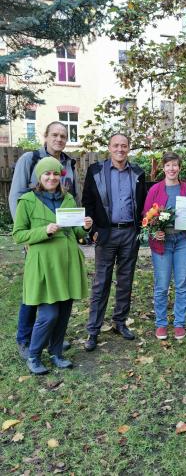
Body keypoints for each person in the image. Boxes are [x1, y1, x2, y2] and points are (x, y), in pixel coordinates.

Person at [12, 157, 92, 374]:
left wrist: (84, 227)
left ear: (60, 176)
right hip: (44, 265)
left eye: (56, 173)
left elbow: (75, 232)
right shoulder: (27, 200)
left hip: (68, 263)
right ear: (39, 176)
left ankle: (56, 353)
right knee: (49, 315)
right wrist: (43, 231)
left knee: (64, 312)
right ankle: (34, 355)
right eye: (47, 174)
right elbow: (18, 235)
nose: (52, 177)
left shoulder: (68, 199)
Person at [9, 121, 77, 360]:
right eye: (55, 135)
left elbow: (71, 201)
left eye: (63, 135)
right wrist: (33, 235)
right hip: (38, 239)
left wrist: (80, 225)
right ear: (46, 136)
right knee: (34, 293)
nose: (59, 139)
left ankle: (52, 340)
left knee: (59, 295)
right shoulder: (29, 160)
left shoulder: (69, 162)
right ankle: (25, 340)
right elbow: (17, 196)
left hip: (62, 243)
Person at [82, 133, 147, 351]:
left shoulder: (138, 173)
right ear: (109, 147)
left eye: (124, 145)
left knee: (126, 280)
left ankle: (120, 322)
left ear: (129, 148)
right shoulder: (96, 171)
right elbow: (87, 202)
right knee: (101, 282)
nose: (120, 149)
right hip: (106, 234)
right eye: (116, 145)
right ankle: (93, 329)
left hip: (130, 233)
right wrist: (92, 230)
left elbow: (143, 203)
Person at [143, 152, 186, 340]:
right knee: (162, 284)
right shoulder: (155, 190)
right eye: (168, 165)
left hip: (183, 240)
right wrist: (154, 231)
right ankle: (161, 323)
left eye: (175, 165)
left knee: (182, 282)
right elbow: (146, 216)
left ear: (179, 167)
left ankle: (179, 323)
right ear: (163, 168)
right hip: (161, 243)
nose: (171, 169)